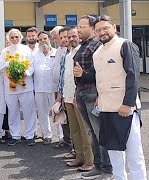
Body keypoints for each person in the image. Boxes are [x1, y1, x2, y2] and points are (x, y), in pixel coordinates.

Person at [93, 15, 146, 180]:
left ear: (114, 27)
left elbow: (133, 76)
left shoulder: (125, 45)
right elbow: (102, 78)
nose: (102, 32)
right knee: (114, 152)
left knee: (134, 153)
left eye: (105, 28)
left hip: (125, 109)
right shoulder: (97, 52)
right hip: (105, 109)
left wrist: (127, 103)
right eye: (98, 30)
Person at [73, 15, 112, 180]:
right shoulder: (83, 46)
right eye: (78, 26)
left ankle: (108, 170)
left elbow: (102, 73)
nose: (78, 30)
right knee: (91, 132)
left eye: (82, 27)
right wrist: (77, 91)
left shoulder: (97, 46)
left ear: (92, 28)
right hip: (81, 93)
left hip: (92, 93)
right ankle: (98, 166)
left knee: (99, 132)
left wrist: (84, 75)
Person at [62, 27, 94, 172]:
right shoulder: (69, 54)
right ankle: (79, 157)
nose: (71, 39)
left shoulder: (82, 52)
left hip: (78, 96)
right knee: (74, 130)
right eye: (69, 37)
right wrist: (64, 96)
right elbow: (66, 77)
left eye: (74, 36)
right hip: (68, 96)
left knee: (84, 130)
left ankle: (90, 160)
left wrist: (76, 94)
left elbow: (81, 76)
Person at [0, 28, 37, 146]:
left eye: (16, 37)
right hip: (10, 88)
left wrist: (26, 73)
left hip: (26, 86)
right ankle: (15, 135)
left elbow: (32, 66)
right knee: (13, 112)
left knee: (29, 112)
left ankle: (29, 135)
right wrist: (7, 64)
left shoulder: (26, 50)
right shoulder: (5, 51)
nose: (14, 39)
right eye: (12, 37)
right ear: (8, 39)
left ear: (20, 38)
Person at [32, 31, 57, 145]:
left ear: (49, 39)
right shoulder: (34, 55)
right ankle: (47, 135)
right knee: (42, 113)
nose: (43, 41)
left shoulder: (56, 53)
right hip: (39, 88)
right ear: (38, 41)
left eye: (45, 38)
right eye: (40, 39)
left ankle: (61, 136)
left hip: (54, 88)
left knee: (57, 113)